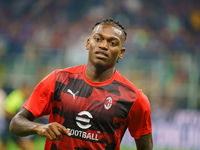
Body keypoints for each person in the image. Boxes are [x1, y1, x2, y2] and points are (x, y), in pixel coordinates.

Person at [9, 18, 153, 150]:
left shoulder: (134, 98)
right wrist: (39, 128)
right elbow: (16, 123)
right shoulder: (58, 80)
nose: (103, 45)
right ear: (88, 43)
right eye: (98, 39)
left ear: (121, 52)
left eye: (112, 43)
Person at [1, 83, 35, 150]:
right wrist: (18, 118)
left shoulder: (20, 96)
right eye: (28, 90)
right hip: (11, 124)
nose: (28, 92)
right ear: (24, 89)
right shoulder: (17, 96)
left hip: (13, 124)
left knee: (14, 143)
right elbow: (7, 111)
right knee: (5, 143)